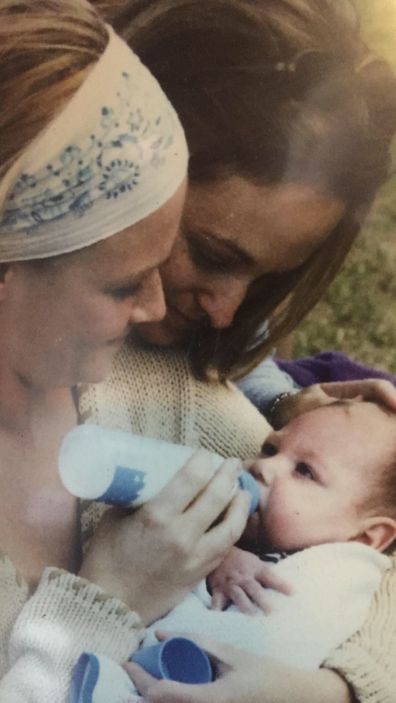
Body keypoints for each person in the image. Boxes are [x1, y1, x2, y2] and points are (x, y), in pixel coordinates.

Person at [85, 2, 396, 701]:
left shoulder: (222, 396)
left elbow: (370, 547)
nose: (227, 309)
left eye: (268, 278)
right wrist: (104, 600)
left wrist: (335, 689)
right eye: (211, 253)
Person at [0, 2, 255, 700]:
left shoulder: (145, 386)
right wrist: (108, 598)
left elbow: (359, 507)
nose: (155, 308)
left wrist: (333, 687)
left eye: (160, 265)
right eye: (120, 284)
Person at [79, 399, 396, 701]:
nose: (263, 467)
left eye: (304, 471)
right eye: (271, 448)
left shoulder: (344, 572)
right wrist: (222, 556)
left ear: (367, 538)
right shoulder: (237, 527)